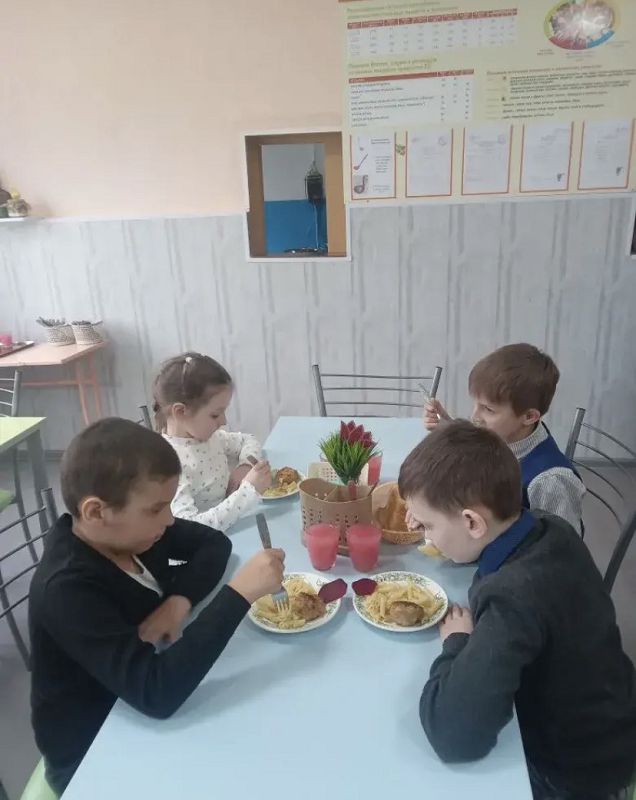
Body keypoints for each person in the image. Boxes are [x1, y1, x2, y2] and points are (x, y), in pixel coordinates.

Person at [29, 418, 285, 795]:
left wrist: (179, 601)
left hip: (137, 708)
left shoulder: (133, 533)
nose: (169, 519)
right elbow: (156, 691)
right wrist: (239, 594)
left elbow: (213, 544)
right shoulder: (66, 589)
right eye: (156, 509)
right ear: (97, 512)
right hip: (91, 753)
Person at [399, 420, 636, 800]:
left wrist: (456, 644)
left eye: (428, 526)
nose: (426, 536)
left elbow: (454, 735)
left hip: (573, 773)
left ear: (472, 522)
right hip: (615, 721)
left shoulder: (512, 599)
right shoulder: (549, 527)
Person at [424, 343, 584, 530]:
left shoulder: (551, 482)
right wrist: (448, 427)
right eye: (476, 404)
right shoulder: (508, 435)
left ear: (529, 416)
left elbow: (562, 544)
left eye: (488, 409)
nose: (475, 416)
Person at [153, 352, 272, 532]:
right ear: (180, 412)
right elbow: (191, 529)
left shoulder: (210, 438)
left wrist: (244, 466)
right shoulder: (169, 465)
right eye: (215, 414)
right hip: (209, 544)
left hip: (234, 530)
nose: (223, 421)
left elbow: (249, 440)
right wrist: (248, 492)